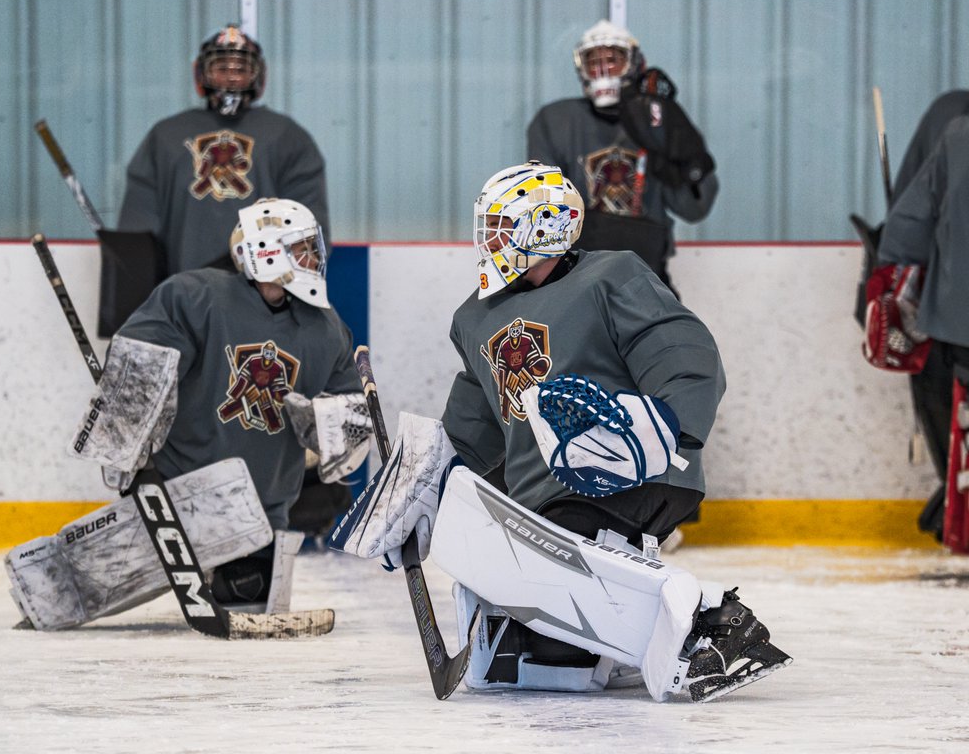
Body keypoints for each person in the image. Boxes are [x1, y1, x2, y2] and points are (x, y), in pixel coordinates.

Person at [330, 162, 790, 702]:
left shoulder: (611, 275)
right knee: (535, 652)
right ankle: (615, 649)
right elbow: (473, 425)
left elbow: (682, 349)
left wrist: (666, 427)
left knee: (558, 550)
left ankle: (711, 625)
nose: (489, 240)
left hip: (631, 471)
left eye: (501, 226)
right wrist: (421, 485)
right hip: (541, 502)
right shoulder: (476, 318)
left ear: (545, 225)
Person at [5, 199, 370, 630]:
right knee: (51, 592)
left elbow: (354, 422)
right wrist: (124, 440)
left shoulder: (326, 328)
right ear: (268, 250)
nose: (315, 258)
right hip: (182, 493)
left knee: (251, 598)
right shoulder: (196, 296)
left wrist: (325, 424)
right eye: (303, 247)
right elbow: (137, 367)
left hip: (265, 514)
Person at [117, 25, 329, 278]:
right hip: (183, 293)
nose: (231, 79)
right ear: (201, 74)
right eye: (221, 69)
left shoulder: (288, 136)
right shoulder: (165, 137)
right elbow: (138, 228)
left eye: (240, 70)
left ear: (258, 75)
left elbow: (308, 229)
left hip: (261, 296)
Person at [526, 20, 718, 294]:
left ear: (634, 63)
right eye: (594, 61)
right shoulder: (556, 121)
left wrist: (681, 149)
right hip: (575, 279)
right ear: (581, 68)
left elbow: (694, 209)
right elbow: (542, 210)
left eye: (613, 60)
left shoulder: (658, 120)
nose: (603, 70)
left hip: (646, 275)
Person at [876, 116, 969, 541]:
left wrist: (888, 278)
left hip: (958, 316)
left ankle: (958, 523)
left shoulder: (957, 134)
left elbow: (910, 223)